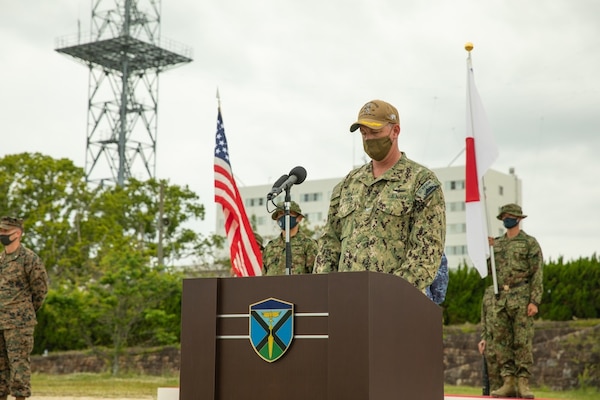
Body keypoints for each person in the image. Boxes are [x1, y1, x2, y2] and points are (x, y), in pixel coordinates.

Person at [314, 99, 446, 292]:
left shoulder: (421, 182)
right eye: (364, 133)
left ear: (395, 131)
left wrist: (387, 295)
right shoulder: (347, 184)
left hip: (394, 306)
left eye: (375, 132)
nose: (368, 139)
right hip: (345, 302)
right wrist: (323, 292)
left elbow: (426, 254)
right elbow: (329, 245)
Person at [488, 204, 543, 399]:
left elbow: (537, 273)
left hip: (521, 296)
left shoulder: (529, 243)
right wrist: (488, 250)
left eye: (510, 216)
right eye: (504, 216)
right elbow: (490, 272)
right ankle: (508, 381)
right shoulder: (498, 244)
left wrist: (534, 301)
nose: (507, 219)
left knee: (522, 341)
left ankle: (523, 382)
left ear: (519, 218)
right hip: (501, 298)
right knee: (502, 341)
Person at [0, 216, 49, 400]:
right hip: (0, 322)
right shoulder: (1, 260)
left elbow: (40, 290)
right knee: (0, 368)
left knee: (19, 366)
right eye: (1, 231)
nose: (2, 234)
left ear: (18, 233)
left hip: (19, 324)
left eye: (6, 231)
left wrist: (24, 312)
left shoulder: (29, 259)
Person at [262, 201, 317, 275]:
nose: (284, 217)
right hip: (273, 286)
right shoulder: (270, 247)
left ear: (299, 218)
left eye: (288, 213)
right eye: (281, 214)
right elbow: (264, 277)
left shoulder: (308, 244)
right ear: (277, 219)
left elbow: (316, 275)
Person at [478, 285, 502, 394]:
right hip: (490, 342)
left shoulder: (510, 289)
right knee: (491, 384)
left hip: (506, 343)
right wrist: (483, 338)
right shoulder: (488, 292)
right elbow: (484, 317)